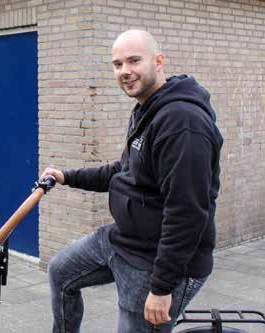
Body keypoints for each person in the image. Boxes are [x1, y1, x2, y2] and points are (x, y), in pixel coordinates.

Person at [41, 29, 224, 333]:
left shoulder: (182, 123)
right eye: (117, 64)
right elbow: (124, 171)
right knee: (60, 272)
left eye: (134, 60)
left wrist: (162, 288)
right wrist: (66, 177)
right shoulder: (147, 108)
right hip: (124, 240)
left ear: (159, 61)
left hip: (156, 262)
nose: (125, 71)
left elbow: (187, 212)